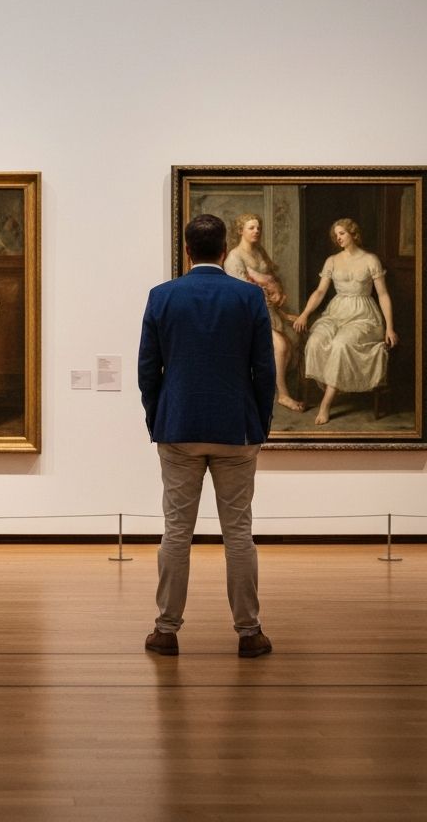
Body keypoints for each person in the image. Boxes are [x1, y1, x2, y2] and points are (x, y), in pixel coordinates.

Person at [138, 214, 275, 658]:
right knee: (239, 534)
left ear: (187, 250)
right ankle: (249, 633)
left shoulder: (162, 296)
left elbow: (147, 370)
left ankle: (166, 630)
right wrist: (259, 423)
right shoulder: (248, 296)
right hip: (236, 428)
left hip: (179, 427)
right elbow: (264, 370)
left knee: (176, 532)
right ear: (223, 250)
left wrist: (158, 418)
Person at [292, 218, 398, 425]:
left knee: (341, 344)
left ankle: (326, 403)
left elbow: (383, 294)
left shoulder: (370, 260)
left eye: (342, 233)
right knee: (316, 340)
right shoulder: (332, 260)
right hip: (336, 312)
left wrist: (390, 328)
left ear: (353, 234)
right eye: (336, 234)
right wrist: (304, 314)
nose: (338, 238)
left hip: (364, 315)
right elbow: (320, 291)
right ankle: (332, 386)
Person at [224, 212, 304, 411]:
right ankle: (283, 395)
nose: (256, 231)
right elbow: (241, 291)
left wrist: (278, 295)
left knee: (293, 340)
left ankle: (273, 388)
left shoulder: (259, 251)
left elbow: (272, 278)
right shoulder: (234, 257)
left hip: (269, 310)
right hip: (247, 314)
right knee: (280, 345)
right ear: (241, 231)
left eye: (258, 227)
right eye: (251, 228)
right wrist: (267, 288)